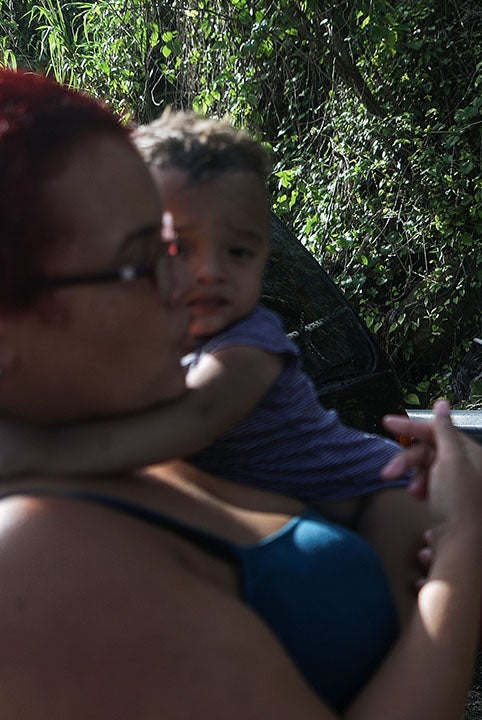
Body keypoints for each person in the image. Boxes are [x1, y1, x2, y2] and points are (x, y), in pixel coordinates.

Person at [0, 68, 482, 718]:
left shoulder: (145, 424)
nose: (192, 282)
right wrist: (458, 541)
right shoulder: (39, 559)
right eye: (147, 258)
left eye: (233, 252)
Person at [0, 109, 432, 618]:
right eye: (178, 247)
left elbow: (189, 423)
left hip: (377, 490)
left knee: (394, 629)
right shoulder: (147, 343)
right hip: (284, 518)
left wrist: (42, 455)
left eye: (239, 251)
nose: (210, 272)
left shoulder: (250, 344)